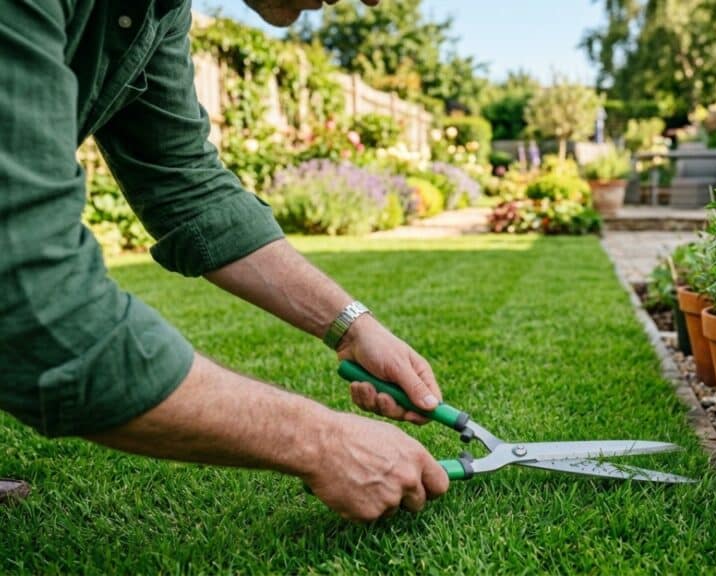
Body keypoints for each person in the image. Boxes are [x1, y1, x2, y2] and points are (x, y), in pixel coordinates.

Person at [0, 0, 450, 521]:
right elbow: (34, 303)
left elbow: (184, 182)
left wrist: (352, 327)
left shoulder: (159, 10)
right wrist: (322, 443)